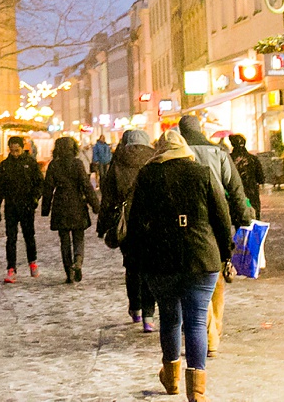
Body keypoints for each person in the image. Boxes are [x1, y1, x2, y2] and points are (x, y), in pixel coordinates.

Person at [127, 129, 232, 402]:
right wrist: (225, 252)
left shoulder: (148, 176)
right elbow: (221, 217)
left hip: (160, 259)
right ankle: (196, 390)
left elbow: (136, 223)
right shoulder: (201, 173)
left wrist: (139, 258)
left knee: (170, 319)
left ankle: (172, 379)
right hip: (201, 256)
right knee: (196, 321)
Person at [179, 116, 253, 358]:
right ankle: (214, 331)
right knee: (217, 275)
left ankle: (208, 330)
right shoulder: (218, 151)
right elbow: (235, 186)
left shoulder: (177, 152)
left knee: (193, 277)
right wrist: (243, 215)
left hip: (187, 221)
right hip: (216, 218)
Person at [97, 128, 156, 331]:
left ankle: (136, 308)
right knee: (150, 267)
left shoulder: (118, 160)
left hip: (127, 222)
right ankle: (149, 315)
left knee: (132, 267)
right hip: (151, 221)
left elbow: (108, 196)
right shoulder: (155, 158)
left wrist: (102, 225)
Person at [41, 135, 99, 283]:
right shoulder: (77, 164)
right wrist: (95, 205)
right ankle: (78, 262)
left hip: (60, 204)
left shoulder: (54, 165)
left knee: (64, 241)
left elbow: (48, 188)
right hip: (76, 204)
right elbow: (86, 186)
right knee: (79, 237)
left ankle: (69, 272)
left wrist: (45, 209)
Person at [0, 135, 43, 282]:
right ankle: (11, 268)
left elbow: (39, 183)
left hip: (27, 206)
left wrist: (35, 198)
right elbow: (0, 188)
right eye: (13, 150)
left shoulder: (31, 163)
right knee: (11, 238)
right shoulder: (4, 165)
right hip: (11, 207)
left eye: (18, 150)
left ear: (23, 148)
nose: (15, 153)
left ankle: (32, 262)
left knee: (29, 235)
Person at [227, 133, 264, 221]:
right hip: (252, 195)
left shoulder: (228, 159)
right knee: (254, 219)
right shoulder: (253, 159)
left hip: (235, 194)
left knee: (238, 219)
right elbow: (261, 179)